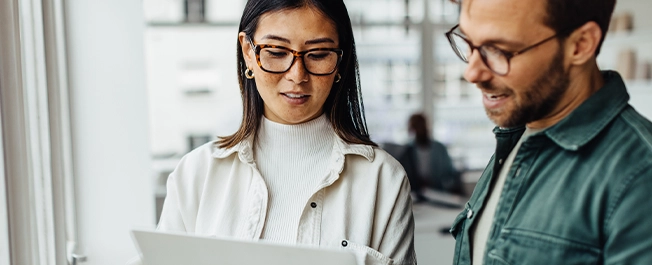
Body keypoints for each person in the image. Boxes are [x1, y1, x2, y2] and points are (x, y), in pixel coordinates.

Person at [129, 0, 416, 265]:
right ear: (248, 53)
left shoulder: (383, 180)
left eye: (318, 55)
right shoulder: (196, 174)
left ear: (339, 61)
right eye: (277, 52)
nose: (297, 75)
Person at [444, 0, 652, 264]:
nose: (471, 72)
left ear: (580, 44)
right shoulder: (518, 135)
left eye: (498, 50)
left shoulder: (640, 175)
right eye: (469, 43)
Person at [401, 113, 464, 199]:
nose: (419, 130)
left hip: (439, 194)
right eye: (416, 127)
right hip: (416, 196)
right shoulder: (407, 150)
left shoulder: (440, 149)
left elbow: (450, 173)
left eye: (421, 126)